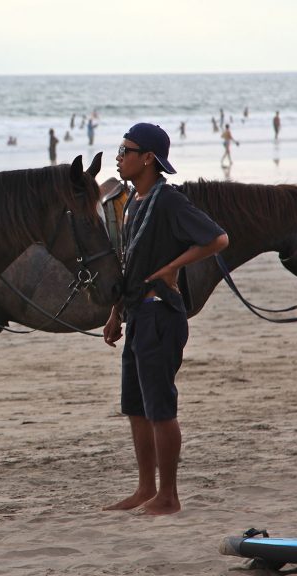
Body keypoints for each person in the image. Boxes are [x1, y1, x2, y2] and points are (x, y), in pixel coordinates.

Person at [103, 123, 228, 516]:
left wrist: (171, 268)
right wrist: (115, 312)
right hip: (137, 312)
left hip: (161, 314)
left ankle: (169, 496)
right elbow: (131, 264)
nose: (119, 157)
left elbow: (216, 239)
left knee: (160, 407)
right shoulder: (134, 202)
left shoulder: (169, 200)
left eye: (126, 150)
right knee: (136, 406)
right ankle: (145, 489)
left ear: (148, 158)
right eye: (119, 149)